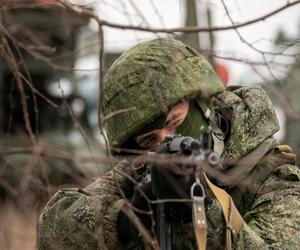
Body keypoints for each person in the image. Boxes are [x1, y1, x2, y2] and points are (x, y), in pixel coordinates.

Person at [37, 38, 300, 250]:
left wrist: (200, 210)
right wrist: (133, 218)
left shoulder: (271, 176)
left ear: (203, 104)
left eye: (175, 122)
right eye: (150, 140)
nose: (166, 142)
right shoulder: (141, 174)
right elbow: (53, 230)